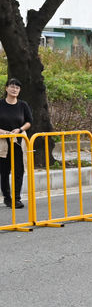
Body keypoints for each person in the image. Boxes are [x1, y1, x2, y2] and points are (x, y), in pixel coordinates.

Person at [0, 78, 32, 209]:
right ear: (6, 88)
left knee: (19, 170)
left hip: (18, 141)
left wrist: (20, 129)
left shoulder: (23, 105)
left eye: (17, 87)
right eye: (12, 86)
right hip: (3, 142)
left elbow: (29, 121)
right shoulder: (0, 104)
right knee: (4, 171)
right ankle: (7, 198)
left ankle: (17, 198)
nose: (14, 89)